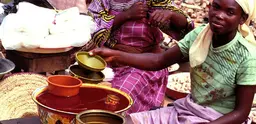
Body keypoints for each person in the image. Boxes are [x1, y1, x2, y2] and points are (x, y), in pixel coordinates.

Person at [90, 0, 256, 123]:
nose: (219, 15)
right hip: (188, 108)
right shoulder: (201, 35)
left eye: (230, 12)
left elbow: (241, 113)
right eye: (216, 7)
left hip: (218, 118)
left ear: (242, 19)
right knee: (122, 120)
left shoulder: (247, 56)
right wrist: (114, 54)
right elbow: (159, 60)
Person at [87, 0, 194, 114]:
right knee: (88, 92)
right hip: (108, 61)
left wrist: (170, 15)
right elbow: (93, 30)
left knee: (118, 99)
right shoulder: (102, 2)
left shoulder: (150, 2)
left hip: (143, 64)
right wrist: (126, 15)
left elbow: (187, 28)